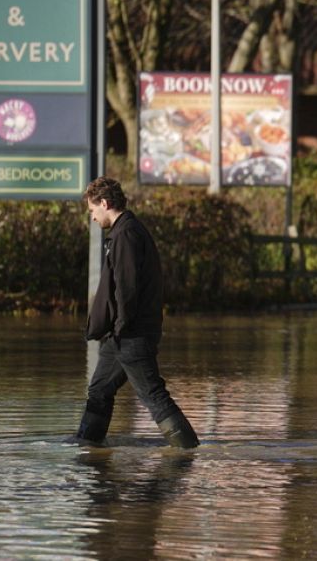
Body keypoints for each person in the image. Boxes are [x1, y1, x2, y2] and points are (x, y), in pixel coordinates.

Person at [75, 176, 199, 449]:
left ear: (104, 203)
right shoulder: (126, 231)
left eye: (92, 211)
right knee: (99, 390)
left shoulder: (126, 234)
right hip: (123, 335)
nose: (92, 218)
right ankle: (86, 447)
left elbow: (127, 287)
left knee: (153, 394)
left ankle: (187, 450)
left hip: (131, 334)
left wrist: (120, 327)